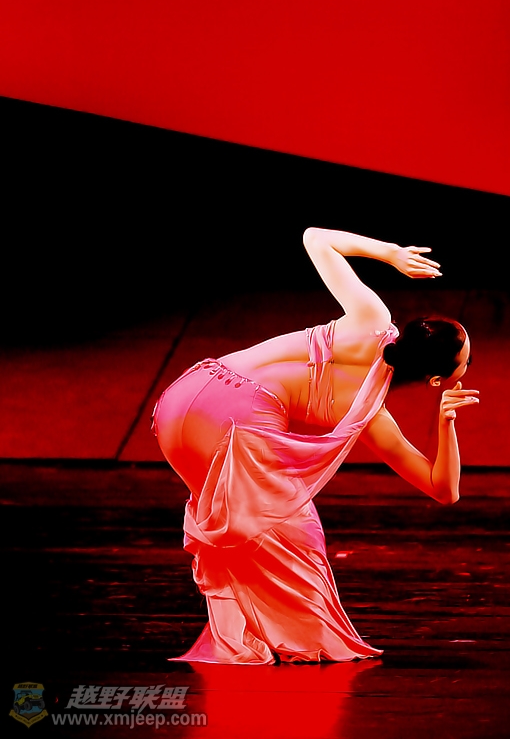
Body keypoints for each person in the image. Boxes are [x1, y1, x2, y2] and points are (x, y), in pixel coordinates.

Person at [152, 227, 478, 664]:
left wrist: (390, 254)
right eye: (468, 360)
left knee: (254, 526)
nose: (471, 362)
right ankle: (288, 637)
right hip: (230, 424)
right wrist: (445, 422)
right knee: (291, 532)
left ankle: (255, 631)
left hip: (180, 398)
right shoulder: (368, 413)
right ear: (436, 380)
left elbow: (314, 238)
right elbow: (444, 489)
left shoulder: (371, 319)